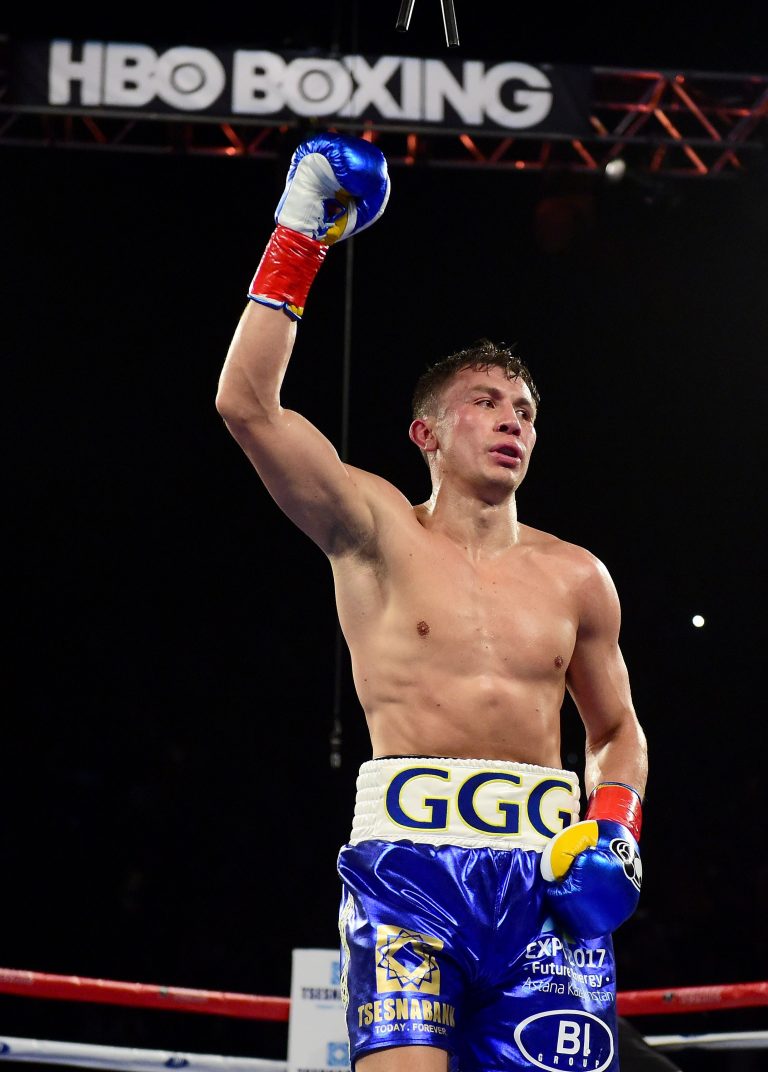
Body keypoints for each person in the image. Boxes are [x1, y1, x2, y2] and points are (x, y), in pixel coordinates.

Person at [216, 132, 648, 1072]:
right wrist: (302, 230)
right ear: (427, 433)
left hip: (545, 885)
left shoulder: (578, 575)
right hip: (410, 874)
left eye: (525, 410)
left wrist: (616, 829)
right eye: (486, 402)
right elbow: (247, 405)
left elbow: (617, 730)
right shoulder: (374, 529)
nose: (512, 420)